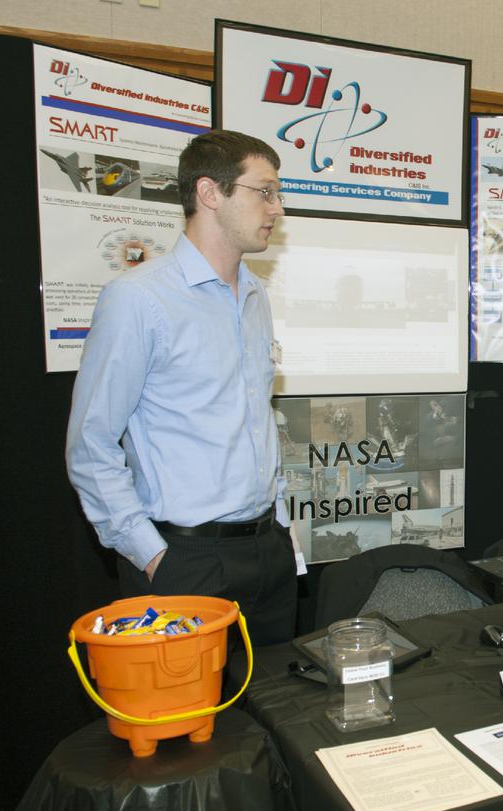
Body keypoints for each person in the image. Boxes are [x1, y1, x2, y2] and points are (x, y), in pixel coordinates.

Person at [67, 129, 297, 647]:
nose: (277, 209)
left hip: (267, 551)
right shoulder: (139, 300)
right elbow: (90, 443)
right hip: (185, 561)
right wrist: (153, 556)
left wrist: (280, 524)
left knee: (277, 717)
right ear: (210, 194)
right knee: (190, 727)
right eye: (265, 191)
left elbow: (252, 419)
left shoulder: (256, 296)